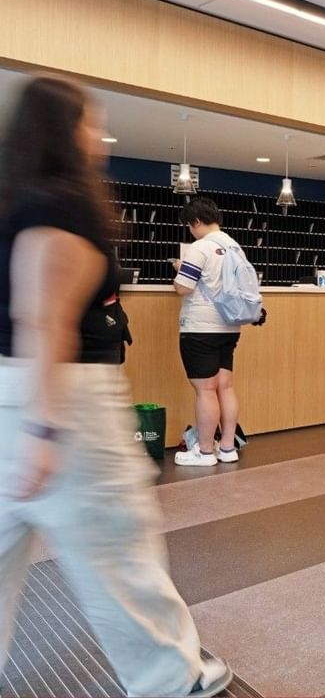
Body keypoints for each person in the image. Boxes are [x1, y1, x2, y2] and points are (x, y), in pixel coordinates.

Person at [0, 75, 231, 696]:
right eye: (89, 124)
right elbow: (44, 319)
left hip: (6, 389)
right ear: (65, 133)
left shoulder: (12, 201)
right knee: (117, 541)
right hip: (65, 395)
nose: (98, 136)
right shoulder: (64, 205)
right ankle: (170, 677)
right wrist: (43, 430)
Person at [173, 196, 244, 466]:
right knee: (225, 386)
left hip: (200, 327)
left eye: (189, 226)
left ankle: (204, 452)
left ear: (197, 222)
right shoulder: (235, 247)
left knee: (205, 390)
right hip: (230, 326)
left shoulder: (199, 247)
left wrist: (179, 271)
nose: (190, 231)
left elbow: (184, 287)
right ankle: (227, 448)